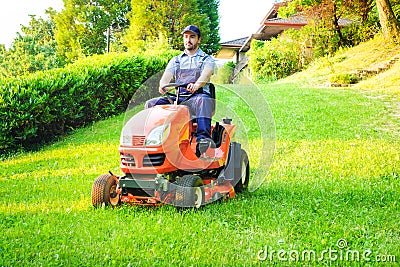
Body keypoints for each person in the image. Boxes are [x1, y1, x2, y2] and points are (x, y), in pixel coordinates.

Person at [145, 25, 216, 157]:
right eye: (186, 37)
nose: (188, 40)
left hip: (197, 97)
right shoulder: (176, 60)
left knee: (203, 100)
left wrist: (196, 85)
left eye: (192, 37)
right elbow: (165, 78)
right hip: (179, 98)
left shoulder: (207, 59)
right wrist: (163, 85)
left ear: (198, 40)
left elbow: (205, 76)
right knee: (151, 104)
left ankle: (202, 140)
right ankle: (152, 141)